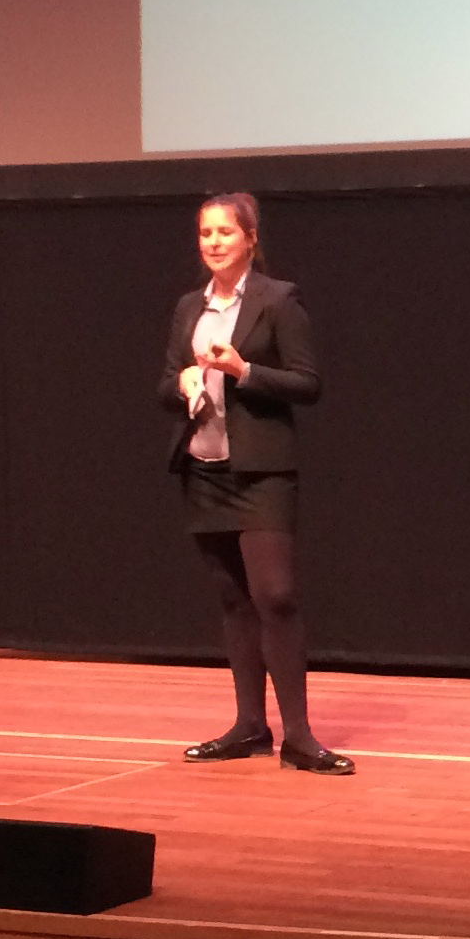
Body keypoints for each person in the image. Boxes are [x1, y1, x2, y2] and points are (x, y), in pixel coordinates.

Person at [157, 191, 353, 773]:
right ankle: (249, 726)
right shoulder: (188, 307)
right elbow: (164, 384)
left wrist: (244, 371)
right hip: (203, 468)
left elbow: (308, 383)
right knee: (233, 599)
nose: (213, 242)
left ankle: (299, 736)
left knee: (275, 595)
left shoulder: (278, 300)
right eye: (205, 233)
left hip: (261, 471)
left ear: (250, 239)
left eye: (225, 232)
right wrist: (183, 384)